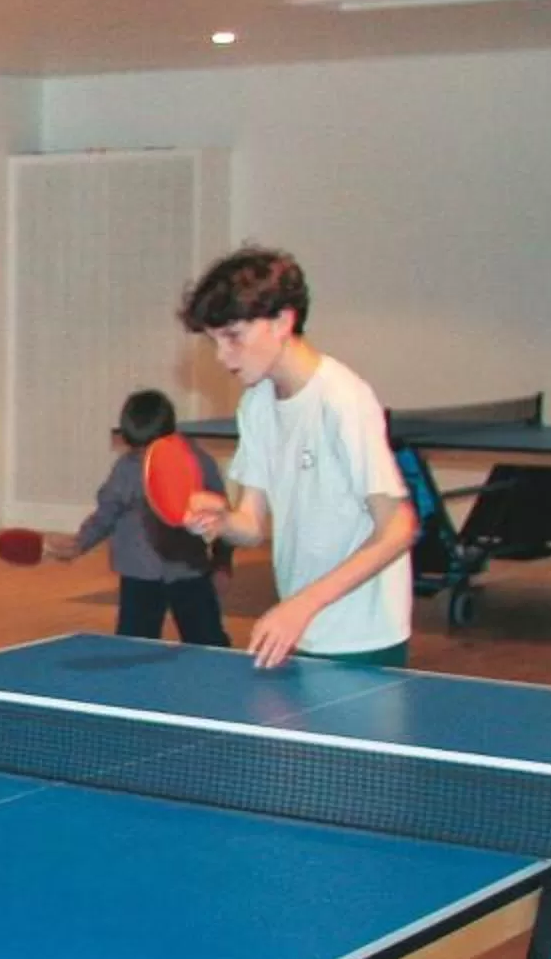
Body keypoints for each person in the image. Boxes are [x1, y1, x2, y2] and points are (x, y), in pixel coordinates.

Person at [177, 245, 416, 668]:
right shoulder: (257, 404)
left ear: (282, 321)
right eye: (214, 341)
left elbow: (399, 527)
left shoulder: (342, 399)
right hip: (297, 630)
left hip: (361, 637)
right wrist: (222, 520)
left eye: (233, 336)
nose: (221, 356)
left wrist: (301, 606)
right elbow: (251, 526)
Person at [46, 388, 231, 646]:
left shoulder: (199, 463)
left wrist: (223, 563)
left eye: (151, 448)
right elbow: (107, 513)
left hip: (189, 572)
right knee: (132, 647)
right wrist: (80, 543)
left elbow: (221, 518)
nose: (144, 457)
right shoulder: (125, 468)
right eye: (137, 449)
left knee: (209, 642)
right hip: (139, 575)